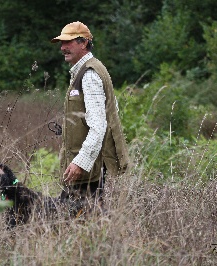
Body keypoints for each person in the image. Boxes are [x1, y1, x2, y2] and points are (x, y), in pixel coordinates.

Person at [51, 21, 130, 207]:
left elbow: (99, 125)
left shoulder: (89, 75)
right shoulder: (89, 70)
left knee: (70, 220)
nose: (63, 47)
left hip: (88, 169)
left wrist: (81, 162)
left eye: (68, 42)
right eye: (61, 43)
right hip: (90, 166)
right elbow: (112, 109)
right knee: (86, 221)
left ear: (83, 43)